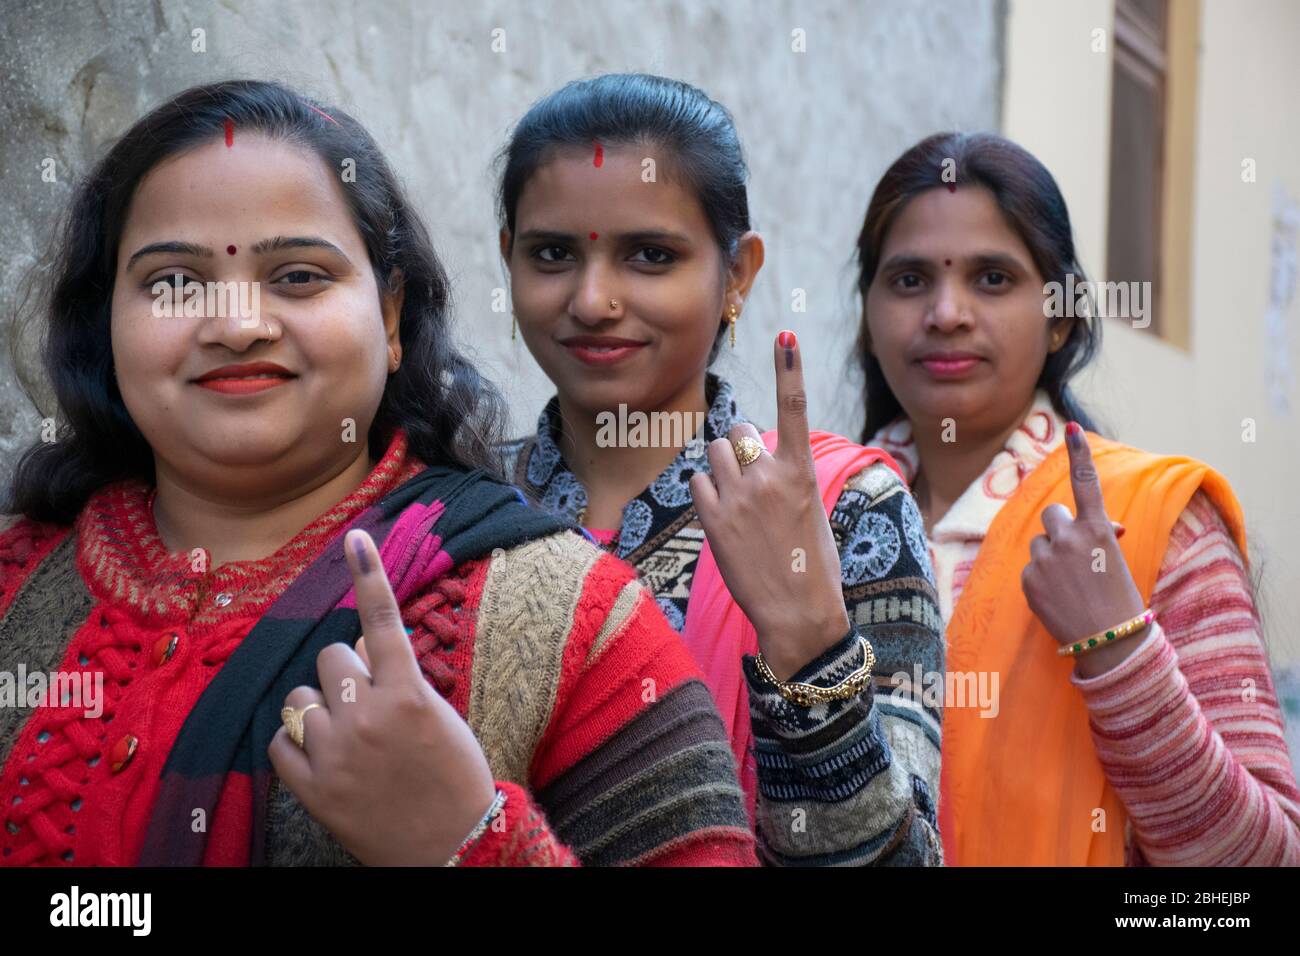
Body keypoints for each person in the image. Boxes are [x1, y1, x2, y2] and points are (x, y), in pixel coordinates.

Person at [0, 79, 756, 867]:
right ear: (107, 320)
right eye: (174, 283)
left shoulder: (574, 619)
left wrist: (468, 841)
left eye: (297, 276)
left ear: (391, 317)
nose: (236, 326)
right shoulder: (17, 587)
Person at [497, 73, 944, 865]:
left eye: (650, 256)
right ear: (510, 260)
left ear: (736, 274)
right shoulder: (462, 505)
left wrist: (809, 649)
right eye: (554, 254)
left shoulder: (845, 514)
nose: (593, 300)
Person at [855, 130, 1300, 865]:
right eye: (908, 281)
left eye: (992, 279)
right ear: (868, 318)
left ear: (1060, 317)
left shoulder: (1153, 522)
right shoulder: (816, 522)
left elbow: (1259, 865)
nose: (945, 313)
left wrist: (1117, 647)